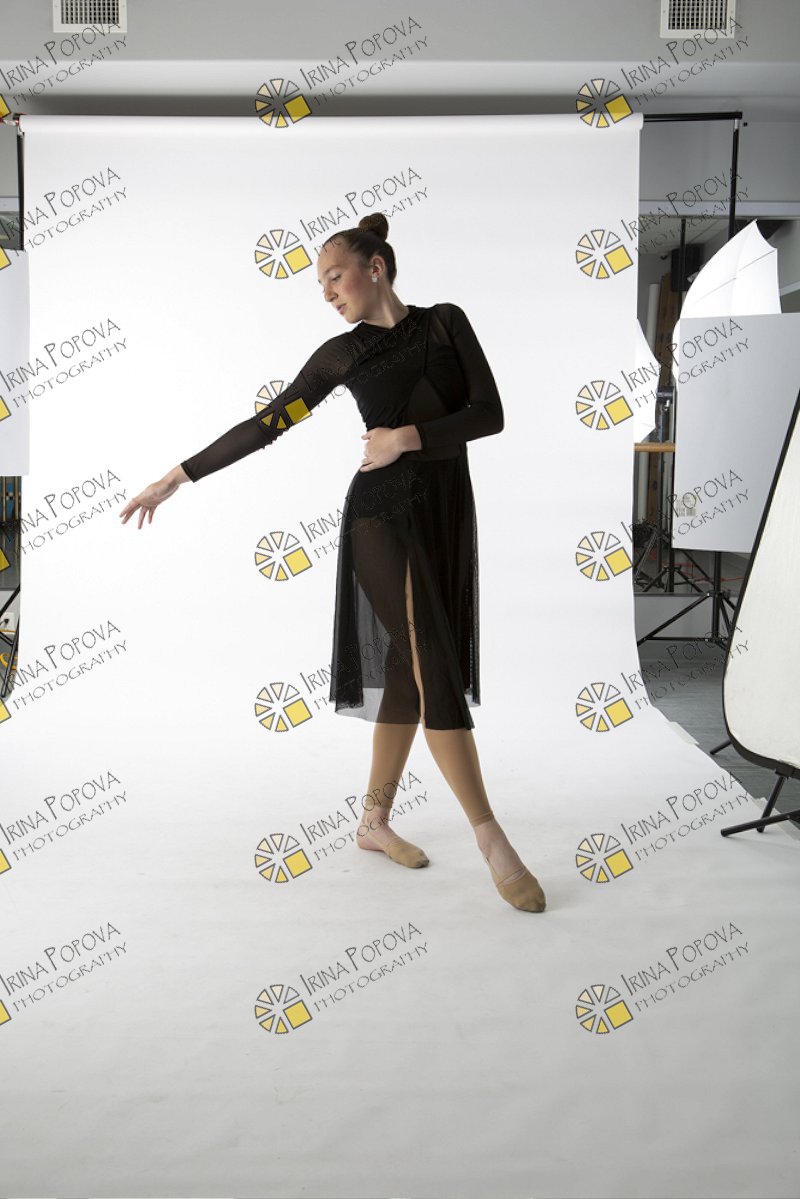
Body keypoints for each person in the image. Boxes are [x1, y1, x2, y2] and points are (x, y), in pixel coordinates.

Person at [120, 213, 545, 913]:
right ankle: (491, 837)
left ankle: (373, 823)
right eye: (320, 283)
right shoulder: (339, 355)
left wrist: (405, 436)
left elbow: (489, 413)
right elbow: (270, 423)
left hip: (444, 511)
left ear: (375, 268)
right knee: (432, 663)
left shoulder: (446, 323)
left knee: (408, 670)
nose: (325, 291)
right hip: (382, 516)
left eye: (334, 275)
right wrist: (178, 476)